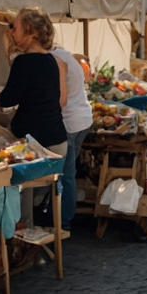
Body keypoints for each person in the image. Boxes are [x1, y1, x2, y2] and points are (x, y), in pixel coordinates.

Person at [0, 7, 67, 157]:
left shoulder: (24, 61)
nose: (11, 32)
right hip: (57, 141)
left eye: (14, 27)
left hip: (35, 145)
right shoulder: (53, 60)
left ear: (30, 32)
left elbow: (5, 100)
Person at [52, 43, 91, 232]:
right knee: (68, 171)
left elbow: (61, 98)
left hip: (70, 121)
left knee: (65, 173)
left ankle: (64, 219)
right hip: (82, 119)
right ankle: (63, 213)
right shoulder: (68, 56)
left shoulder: (56, 60)